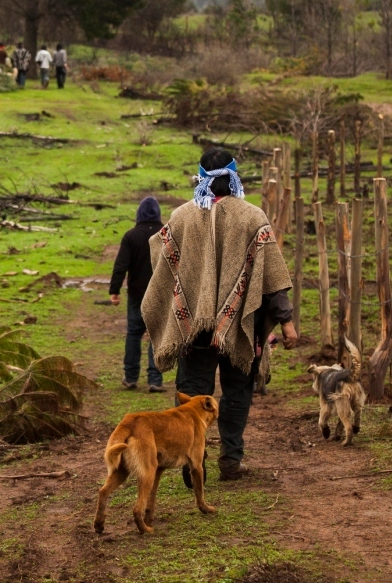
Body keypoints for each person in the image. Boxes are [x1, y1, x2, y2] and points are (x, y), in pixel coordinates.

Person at [142, 148, 299, 482]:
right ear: (234, 176)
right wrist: (286, 323)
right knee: (237, 391)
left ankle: (189, 461)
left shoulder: (181, 217)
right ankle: (230, 458)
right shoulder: (253, 217)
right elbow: (273, 279)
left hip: (193, 329)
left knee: (191, 394)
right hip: (241, 327)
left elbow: (161, 258)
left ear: (201, 178)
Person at [110, 197, 165, 393]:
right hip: (160, 294)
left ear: (139, 214)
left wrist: (114, 290)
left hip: (137, 294)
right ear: (158, 213)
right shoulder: (166, 235)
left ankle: (131, 376)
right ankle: (155, 380)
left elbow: (121, 265)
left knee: (134, 333)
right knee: (157, 336)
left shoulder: (131, 236)